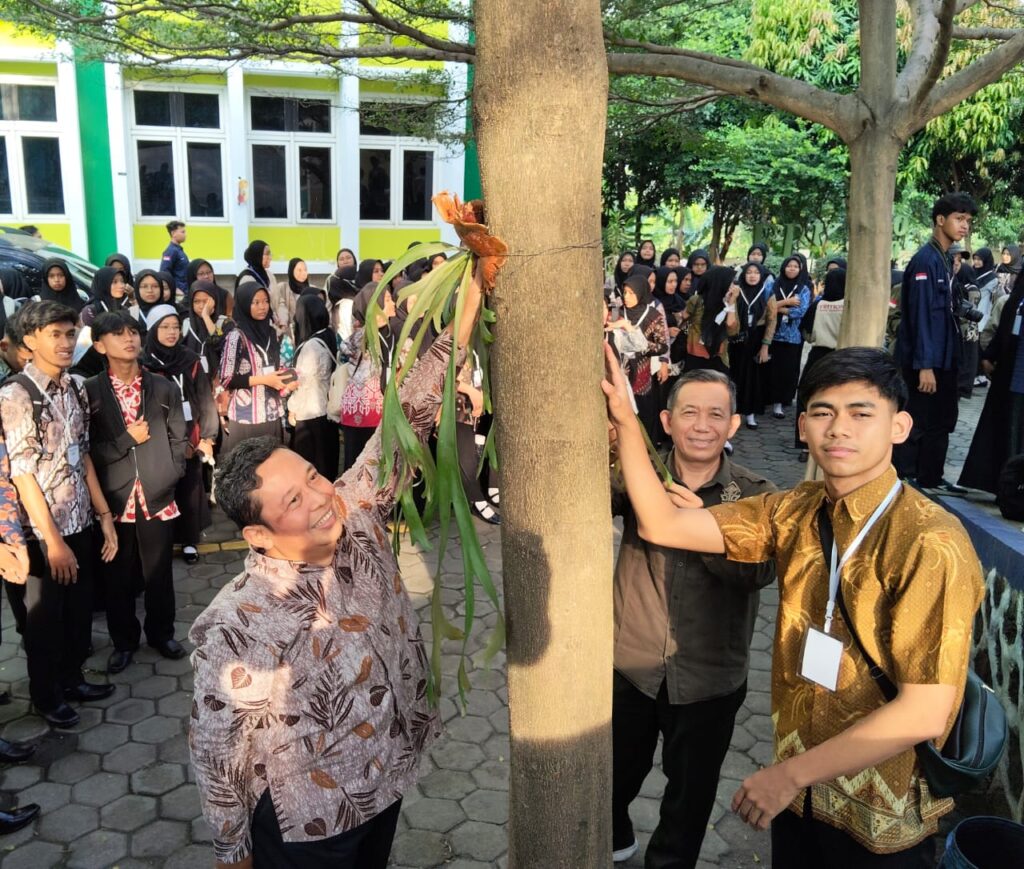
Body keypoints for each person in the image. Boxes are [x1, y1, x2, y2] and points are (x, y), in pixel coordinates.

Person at [603, 343, 983, 867]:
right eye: (823, 413)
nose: (839, 429)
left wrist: (787, 775)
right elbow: (663, 524)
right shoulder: (795, 509)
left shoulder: (930, 541)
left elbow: (925, 711)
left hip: (877, 812)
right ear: (802, 426)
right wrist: (626, 420)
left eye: (861, 414)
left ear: (899, 427)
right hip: (798, 800)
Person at [188, 262, 484, 869]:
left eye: (313, 478)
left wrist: (468, 301)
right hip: (311, 819)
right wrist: (231, 849)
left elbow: (408, 417)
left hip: (387, 774)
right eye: (293, 502)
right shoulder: (236, 624)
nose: (321, 499)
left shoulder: (355, 509)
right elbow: (218, 749)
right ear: (257, 535)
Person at [610, 369, 776, 867]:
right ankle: (614, 836)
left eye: (715, 414)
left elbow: (759, 573)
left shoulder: (756, 495)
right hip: (631, 665)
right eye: (689, 412)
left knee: (689, 798)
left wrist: (702, 531)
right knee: (613, 776)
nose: (702, 426)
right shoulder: (638, 474)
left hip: (710, 679)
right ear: (666, 420)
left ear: (734, 424)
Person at [0, 301, 118, 728]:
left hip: (79, 520)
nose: (66, 342)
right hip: (39, 533)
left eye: (70, 334)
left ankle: (72, 680)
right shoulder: (16, 395)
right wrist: (52, 542)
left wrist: (103, 515)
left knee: (77, 612)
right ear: (30, 341)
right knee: (43, 621)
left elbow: (82, 455)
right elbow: (22, 475)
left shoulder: (74, 387)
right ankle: (46, 696)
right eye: (55, 335)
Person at [85, 312, 188, 674]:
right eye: (117, 334)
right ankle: (124, 641)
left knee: (159, 572)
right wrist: (126, 441)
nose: (129, 339)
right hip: (114, 498)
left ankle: (162, 633)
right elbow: (86, 452)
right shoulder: (90, 391)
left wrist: (171, 471)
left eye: (132, 332)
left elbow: (179, 436)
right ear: (99, 345)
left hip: (157, 493)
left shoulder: (162, 387)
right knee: (117, 575)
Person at [893, 192, 975, 495]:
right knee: (917, 420)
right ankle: (905, 478)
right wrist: (925, 365)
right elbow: (921, 317)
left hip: (946, 358)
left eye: (968, 220)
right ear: (940, 220)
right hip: (925, 361)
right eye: (959, 218)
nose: (964, 225)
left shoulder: (945, 259)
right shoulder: (925, 260)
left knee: (943, 419)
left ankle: (932, 477)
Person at [142, 305, 218, 564]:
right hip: (157, 436)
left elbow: (205, 398)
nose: (172, 332)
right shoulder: (143, 362)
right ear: (153, 330)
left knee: (188, 489)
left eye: (175, 327)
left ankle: (188, 540)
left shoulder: (189, 359)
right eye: (165, 327)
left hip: (188, 436)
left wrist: (207, 436)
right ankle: (163, 540)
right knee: (162, 488)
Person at [959, 271, 1024, 495]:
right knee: (1004, 430)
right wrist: (989, 356)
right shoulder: (1018, 296)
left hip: (1017, 376)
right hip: (1009, 375)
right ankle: (1004, 486)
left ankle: (1014, 490)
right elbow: (1005, 328)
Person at [219, 282, 296, 457]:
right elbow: (226, 378)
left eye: (265, 301)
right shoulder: (236, 337)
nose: (262, 307)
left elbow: (276, 368)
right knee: (246, 469)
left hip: (272, 414)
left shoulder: (272, 333)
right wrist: (264, 379)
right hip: (246, 418)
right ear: (245, 304)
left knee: (272, 466)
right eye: (256, 302)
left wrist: (286, 381)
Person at [794, 268, 846, 459]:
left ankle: (805, 445)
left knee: (808, 397)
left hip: (817, 356)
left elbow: (805, 332)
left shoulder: (818, 304)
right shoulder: (848, 306)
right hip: (841, 357)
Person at [288, 294, 340, 480]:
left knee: (312, 467)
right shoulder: (328, 335)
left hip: (310, 413)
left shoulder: (311, 346)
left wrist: (292, 408)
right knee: (327, 463)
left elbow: (303, 383)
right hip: (326, 410)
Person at [612, 273, 668, 444]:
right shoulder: (617, 312)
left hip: (641, 374)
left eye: (631, 293)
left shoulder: (653, 315)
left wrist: (642, 344)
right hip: (620, 370)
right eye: (625, 292)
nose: (626, 297)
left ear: (641, 292)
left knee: (643, 411)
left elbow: (662, 346)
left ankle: (644, 448)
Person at [760, 254, 811, 418]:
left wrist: (776, 307)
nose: (792, 269)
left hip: (791, 337)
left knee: (785, 371)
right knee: (769, 369)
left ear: (800, 269)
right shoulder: (773, 285)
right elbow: (764, 307)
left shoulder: (804, 289)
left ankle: (779, 404)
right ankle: (766, 399)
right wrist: (787, 302)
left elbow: (800, 312)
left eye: (795, 267)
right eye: (789, 266)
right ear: (783, 267)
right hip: (771, 334)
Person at [730, 261, 773, 429]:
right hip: (737, 339)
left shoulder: (767, 292)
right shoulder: (737, 290)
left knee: (753, 377)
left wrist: (765, 346)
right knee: (735, 375)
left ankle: (750, 414)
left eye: (756, 272)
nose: (752, 276)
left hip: (757, 339)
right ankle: (733, 412)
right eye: (749, 272)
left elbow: (772, 321)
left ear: (761, 275)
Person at [679, 266, 739, 374]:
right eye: (731, 282)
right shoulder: (697, 300)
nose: (733, 286)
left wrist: (731, 303)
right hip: (696, 354)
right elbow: (683, 318)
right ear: (720, 282)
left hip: (718, 356)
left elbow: (732, 329)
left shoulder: (729, 303)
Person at [183, 280, 232, 375]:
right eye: (196, 301)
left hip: (218, 377)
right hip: (194, 377)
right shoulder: (187, 323)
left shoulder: (225, 322)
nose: (201, 306)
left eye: (206, 301)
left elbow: (220, 345)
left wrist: (206, 317)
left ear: (214, 301)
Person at [270, 258, 310, 343]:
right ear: (291, 271)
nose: (303, 273)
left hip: (307, 336)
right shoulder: (281, 288)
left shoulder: (311, 290)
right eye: (299, 270)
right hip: (286, 337)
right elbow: (277, 307)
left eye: (305, 270)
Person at [161, 220, 189, 294]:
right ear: (173, 233)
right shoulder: (170, 251)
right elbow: (164, 272)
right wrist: (175, 289)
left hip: (185, 290)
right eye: (182, 232)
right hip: (179, 292)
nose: (185, 235)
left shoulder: (179, 250)